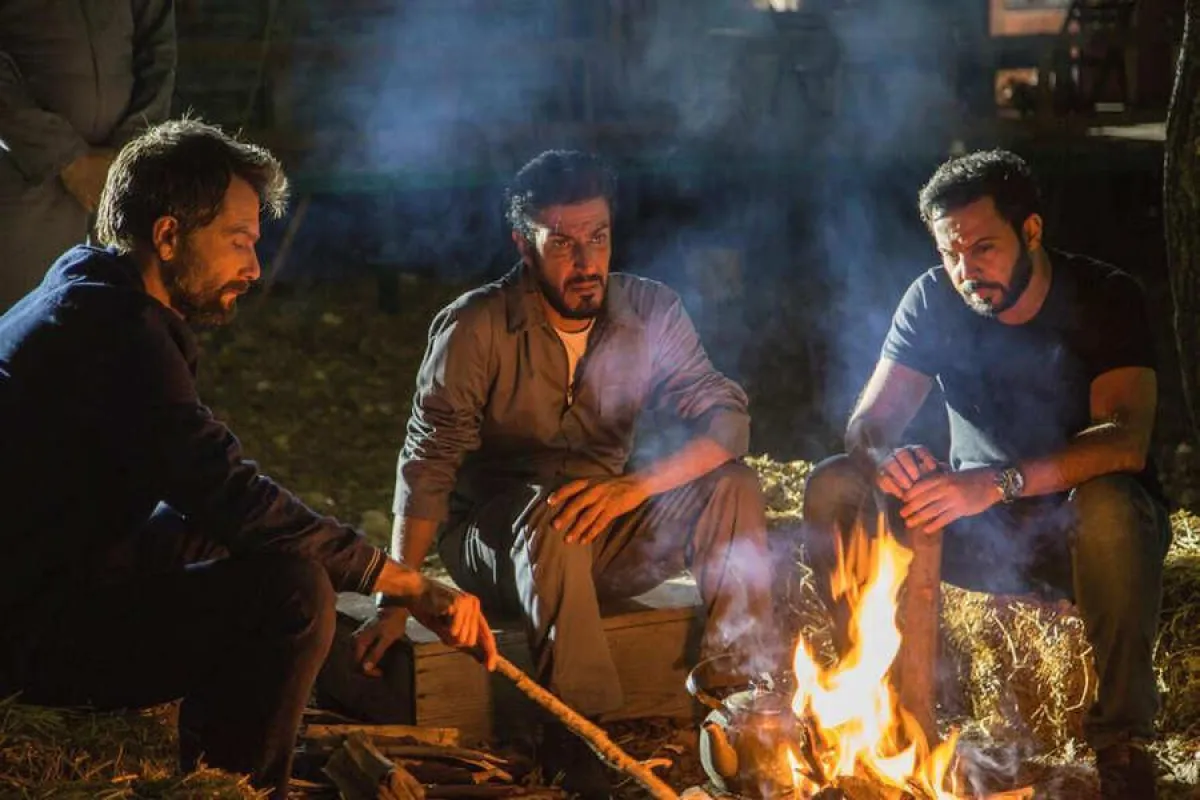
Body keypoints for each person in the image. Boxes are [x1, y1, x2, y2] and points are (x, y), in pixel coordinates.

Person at [0, 119, 497, 800]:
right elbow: (231, 492)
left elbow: (217, 495)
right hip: (25, 633)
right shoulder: (118, 336)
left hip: (48, 565)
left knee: (228, 534)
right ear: (168, 235)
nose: (255, 268)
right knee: (293, 595)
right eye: (238, 241)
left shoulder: (86, 284)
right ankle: (237, 789)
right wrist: (404, 582)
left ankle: (217, 751)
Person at [353, 150, 779, 798]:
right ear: (523, 245)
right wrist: (396, 595)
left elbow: (728, 425)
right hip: (496, 541)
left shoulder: (649, 310)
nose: (586, 262)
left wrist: (634, 488)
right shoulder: (475, 326)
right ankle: (579, 737)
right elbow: (428, 462)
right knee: (551, 513)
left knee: (734, 485)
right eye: (563, 244)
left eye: (598, 238)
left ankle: (736, 700)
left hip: (604, 527)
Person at [803, 149, 1169, 798]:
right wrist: (887, 460)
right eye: (951, 252)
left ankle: (1122, 744)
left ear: (1031, 230)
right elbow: (867, 426)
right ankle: (869, 698)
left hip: (1081, 533)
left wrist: (998, 483)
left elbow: (1124, 442)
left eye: (983, 247)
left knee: (1111, 507)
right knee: (836, 484)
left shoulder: (1105, 297)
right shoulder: (934, 298)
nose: (966, 270)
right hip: (979, 532)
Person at [0, 0, 177, 311]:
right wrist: (66, 157)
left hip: (121, 178)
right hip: (26, 176)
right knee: (22, 313)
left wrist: (130, 152)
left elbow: (158, 49)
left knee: (117, 312)